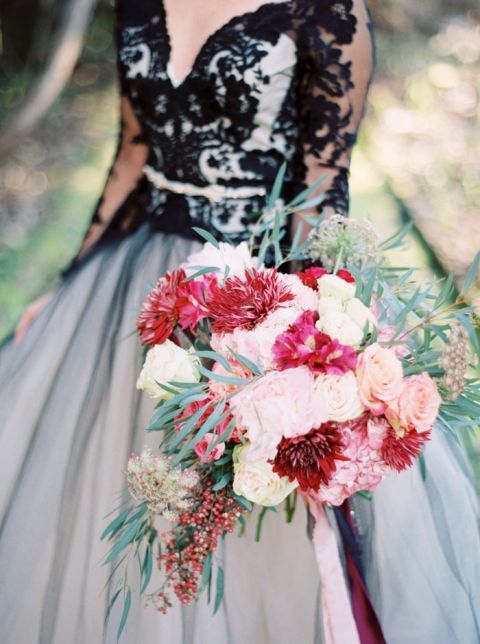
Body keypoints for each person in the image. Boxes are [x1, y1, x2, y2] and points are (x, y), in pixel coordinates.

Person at [0, 1, 479, 643]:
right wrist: (67, 282)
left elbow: (322, 185)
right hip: (141, 287)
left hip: (258, 287)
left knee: (244, 503)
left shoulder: (326, 13)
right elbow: (131, 156)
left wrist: (302, 339)